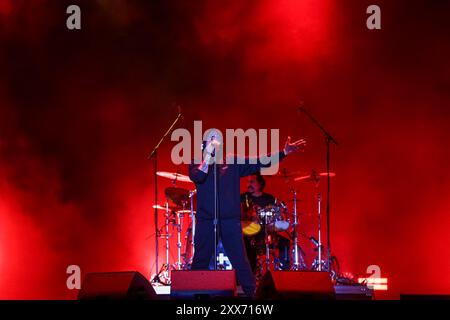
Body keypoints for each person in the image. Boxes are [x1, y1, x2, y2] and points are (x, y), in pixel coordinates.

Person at [188, 129, 305, 297]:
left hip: (230, 221)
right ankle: (191, 296)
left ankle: (252, 295)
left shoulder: (233, 161)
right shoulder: (196, 162)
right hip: (206, 220)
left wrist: (284, 152)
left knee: (240, 261)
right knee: (200, 260)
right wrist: (207, 156)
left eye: (217, 140)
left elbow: (260, 162)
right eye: (210, 140)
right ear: (204, 144)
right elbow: (198, 177)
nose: (215, 143)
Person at [240, 173, 291, 274]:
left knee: (285, 242)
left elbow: (276, 217)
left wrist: (277, 222)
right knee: (245, 245)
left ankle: (285, 272)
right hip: (250, 235)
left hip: (267, 233)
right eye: (248, 182)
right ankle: (250, 275)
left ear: (260, 184)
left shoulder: (269, 198)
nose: (248, 185)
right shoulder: (243, 198)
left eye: (252, 182)